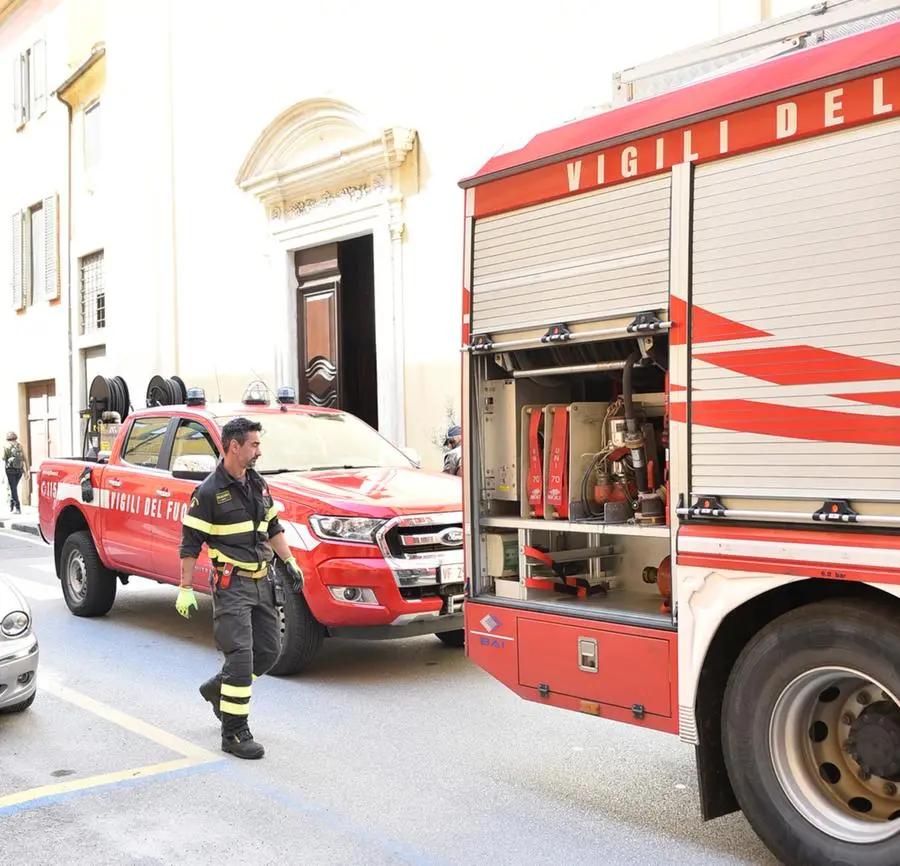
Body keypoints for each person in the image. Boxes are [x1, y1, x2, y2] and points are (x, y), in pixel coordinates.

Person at [176, 417, 304, 759]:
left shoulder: (258, 484)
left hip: (263, 580)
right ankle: (233, 732)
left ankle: (220, 688)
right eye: (254, 444)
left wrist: (289, 561)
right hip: (231, 585)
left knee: (268, 652)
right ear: (235, 446)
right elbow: (190, 544)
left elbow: (273, 526)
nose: (259, 450)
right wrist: (185, 587)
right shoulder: (207, 493)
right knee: (241, 655)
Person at [3, 432, 26, 514]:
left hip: (17, 470)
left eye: (12, 439)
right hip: (12, 470)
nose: (11, 441)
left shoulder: (18, 446)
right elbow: (3, 459)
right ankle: (15, 506)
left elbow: (25, 458)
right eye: (10, 440)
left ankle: (14, 505)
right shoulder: (8, 447)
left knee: (13, 489)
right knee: (14, 489)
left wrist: (27, 471)